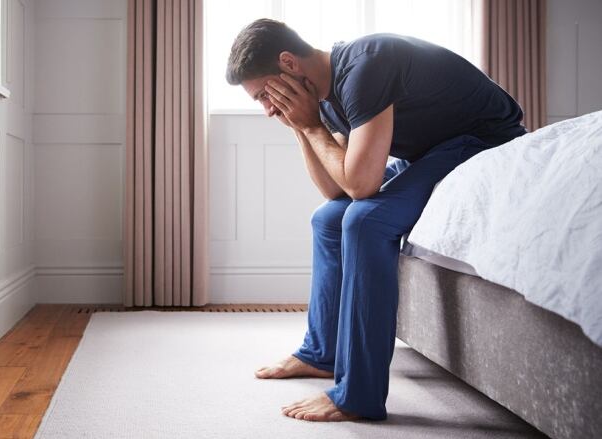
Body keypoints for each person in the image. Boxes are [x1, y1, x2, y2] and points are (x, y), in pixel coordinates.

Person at [225, 18, 527, 422]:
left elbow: (362, 185)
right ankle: (322, 353)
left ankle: (358, 396)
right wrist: (302, 128)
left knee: (365, 222)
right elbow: (336, 191)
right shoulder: (326, 98)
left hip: (484, 138)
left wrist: (311, 125)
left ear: (288, 63)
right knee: (328, 220)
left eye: (265, 94)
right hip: (431, 150)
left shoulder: (365, 67)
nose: (266, 109)